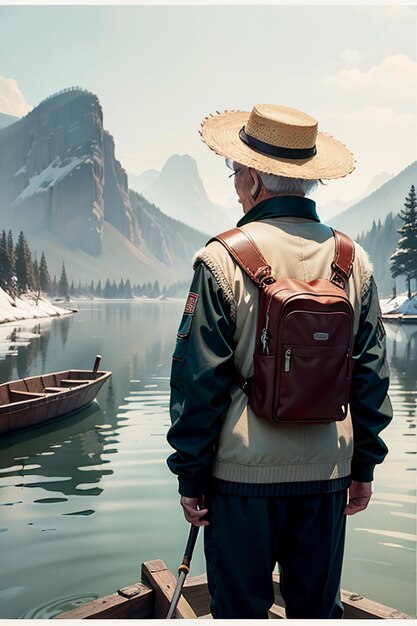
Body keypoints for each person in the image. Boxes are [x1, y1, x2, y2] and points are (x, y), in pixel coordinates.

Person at [166, 103, 392, 619]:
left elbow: (198, 383)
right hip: (327, 475)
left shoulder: (222, 259)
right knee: (317, 611)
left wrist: (190, 478)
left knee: (241, 611)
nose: (235, 183)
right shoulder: (353, 261)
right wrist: (364, 467)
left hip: (240, 480)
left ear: (254, 180)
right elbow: (371, 377)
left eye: (236, 172)